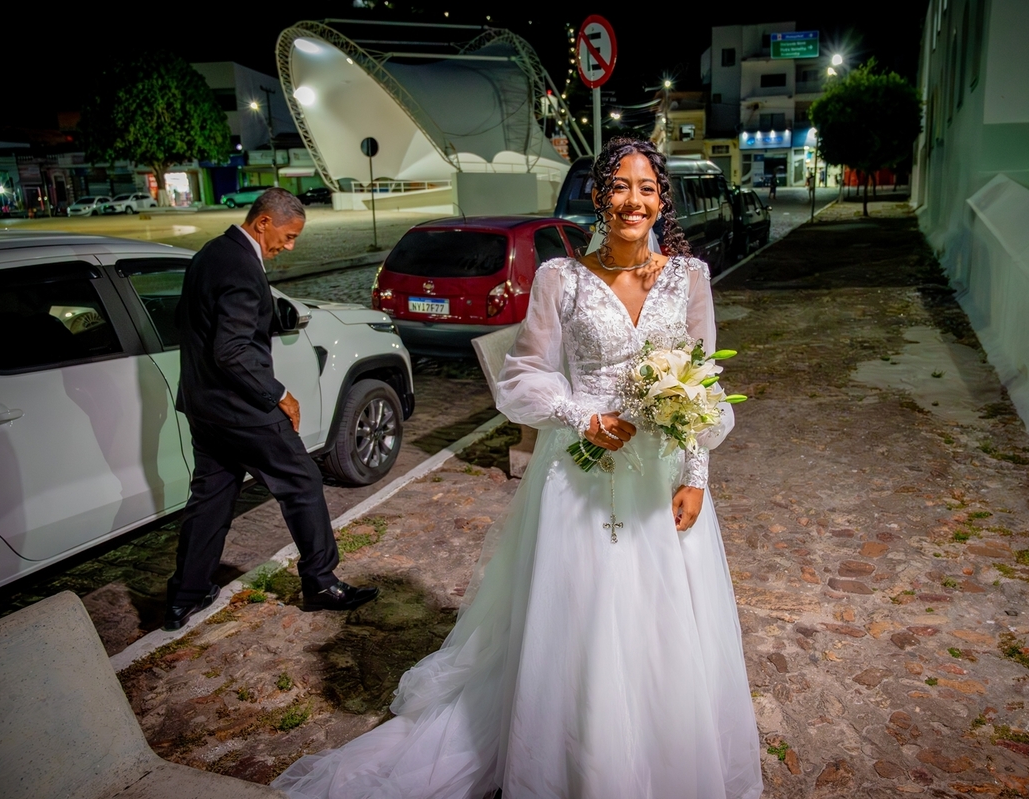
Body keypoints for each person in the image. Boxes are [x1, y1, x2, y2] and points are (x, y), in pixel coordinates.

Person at [273, 139, 762, 798]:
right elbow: (523, 376)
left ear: (661, 199)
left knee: (664, 621)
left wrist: (696, 473)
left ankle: (667, 758)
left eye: (647, 188)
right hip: (580, 476)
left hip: (661, 475)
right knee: (583, 621)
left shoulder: (689, 277)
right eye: (620, 186)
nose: (634, 200)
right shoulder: (563, 278)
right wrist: (582, 417)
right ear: (598, 195)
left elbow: (703, 378)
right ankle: (579, 762)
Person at [165, 188, 377, 631]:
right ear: (264, 222)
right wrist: (280, 394)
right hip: (244, 411)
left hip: (205, 408)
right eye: (289, 235)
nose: (290, 245)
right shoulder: (242, 267)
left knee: (212, 495)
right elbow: (232, 349)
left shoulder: (209, 253)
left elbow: (191, 318)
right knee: (302, 482)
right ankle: (320, 581)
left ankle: (185, 596)